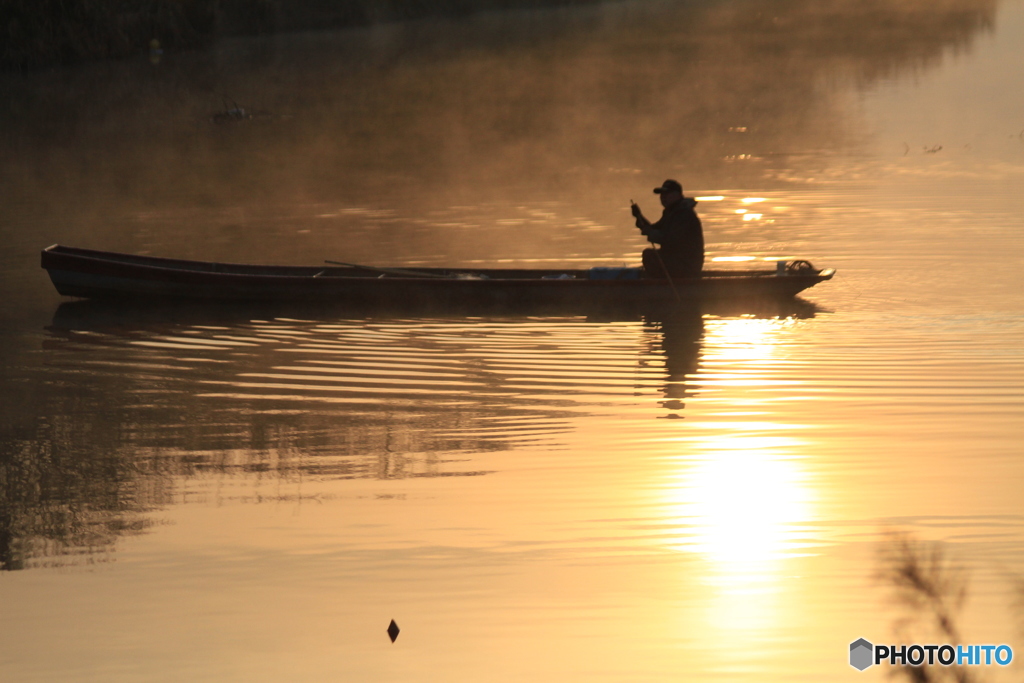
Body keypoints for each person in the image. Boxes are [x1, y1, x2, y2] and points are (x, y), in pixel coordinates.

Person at [631, 179, 704, 278]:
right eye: (662, 194)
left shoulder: (684, 214)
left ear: (677, 195)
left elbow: (670, 239)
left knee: (650, 255)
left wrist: (651, 233)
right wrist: (639, 216)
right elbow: (653, 229)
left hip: (687, 265)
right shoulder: (671, 212)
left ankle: (659, 286)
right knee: (650, 255)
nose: (663, 197)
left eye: (667, 194)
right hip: (676, 261)